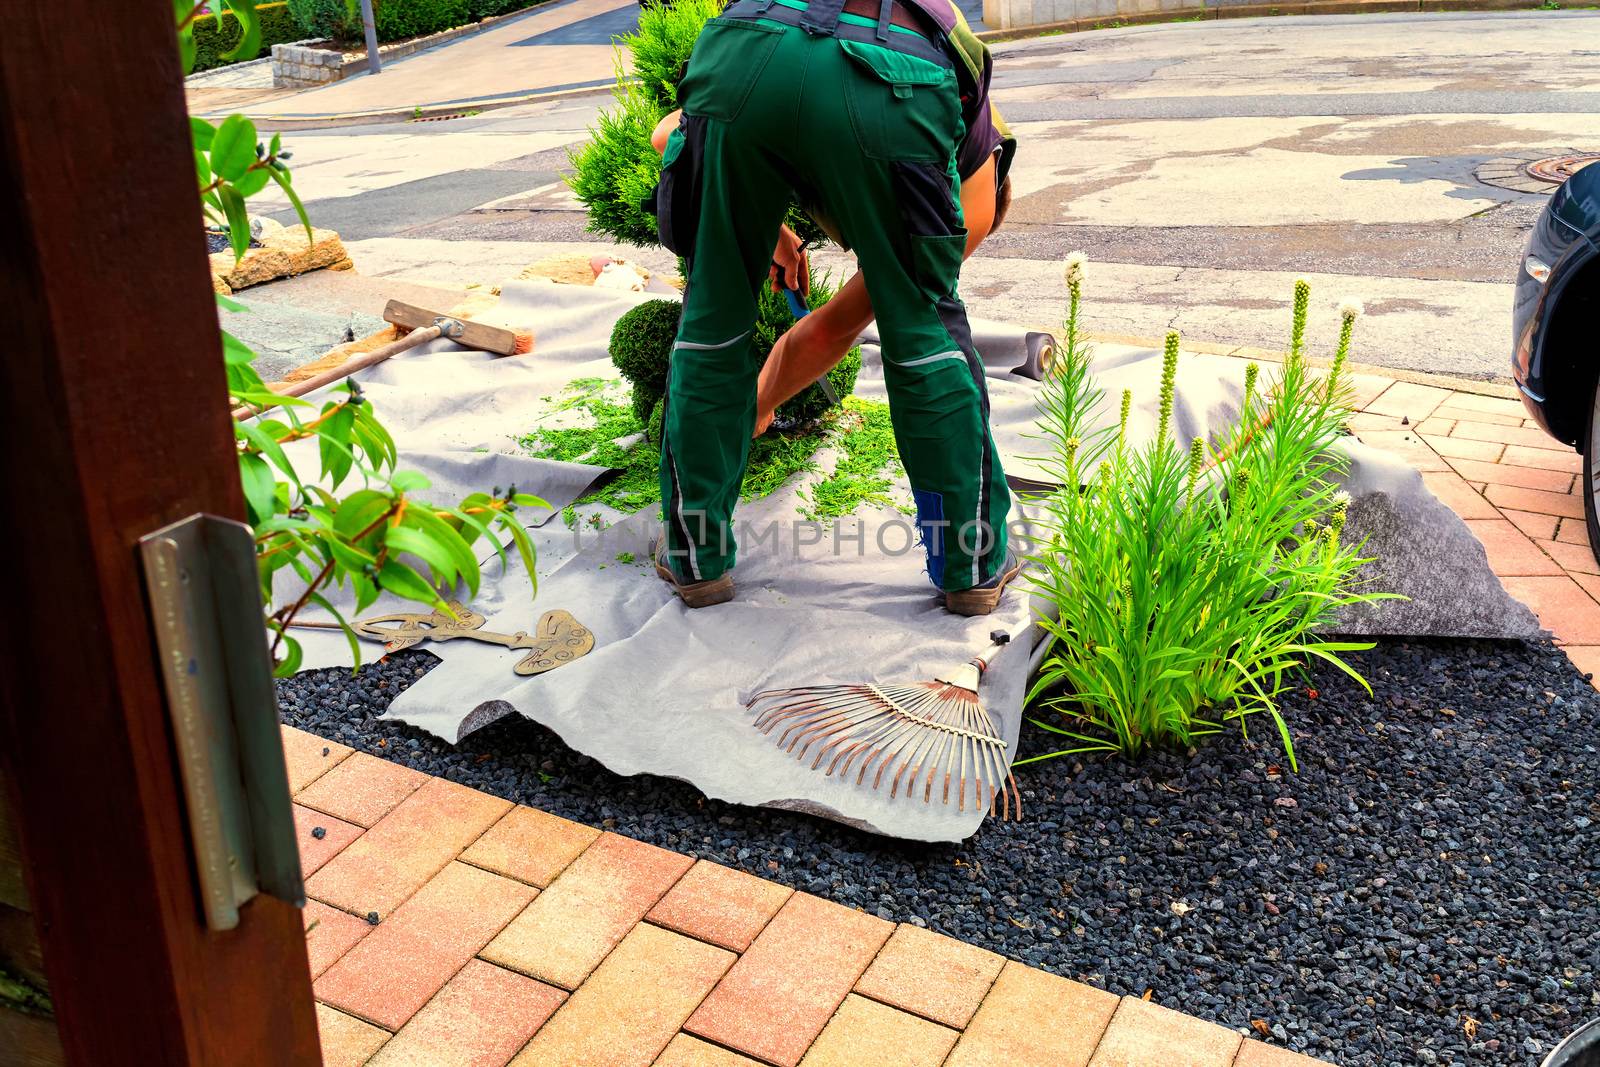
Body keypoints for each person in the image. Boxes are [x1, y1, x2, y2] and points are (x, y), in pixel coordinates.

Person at [646, 0, 1019, 614]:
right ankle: (971, 566)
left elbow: (673, 133)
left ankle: (695, 558)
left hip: (743, 53)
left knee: (712, 316)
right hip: (889, 82)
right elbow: (851, 320)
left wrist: (759, 225)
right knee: (924, 330)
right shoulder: (967, 150)